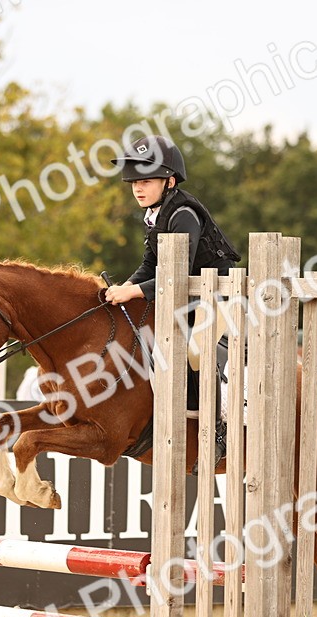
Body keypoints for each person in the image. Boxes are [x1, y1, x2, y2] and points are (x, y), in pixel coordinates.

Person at [103, 135, 239, 462]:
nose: (137, 187)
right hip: (190, 299)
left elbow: (176, 275)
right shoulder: (154, 214)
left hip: (220, 298)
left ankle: (221, 426)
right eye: (134, 181)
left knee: (195, 352)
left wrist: (133, 291)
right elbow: (151, 265)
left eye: (146, 180)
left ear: (170, 180)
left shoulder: (184, 215)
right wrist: (123, 288)